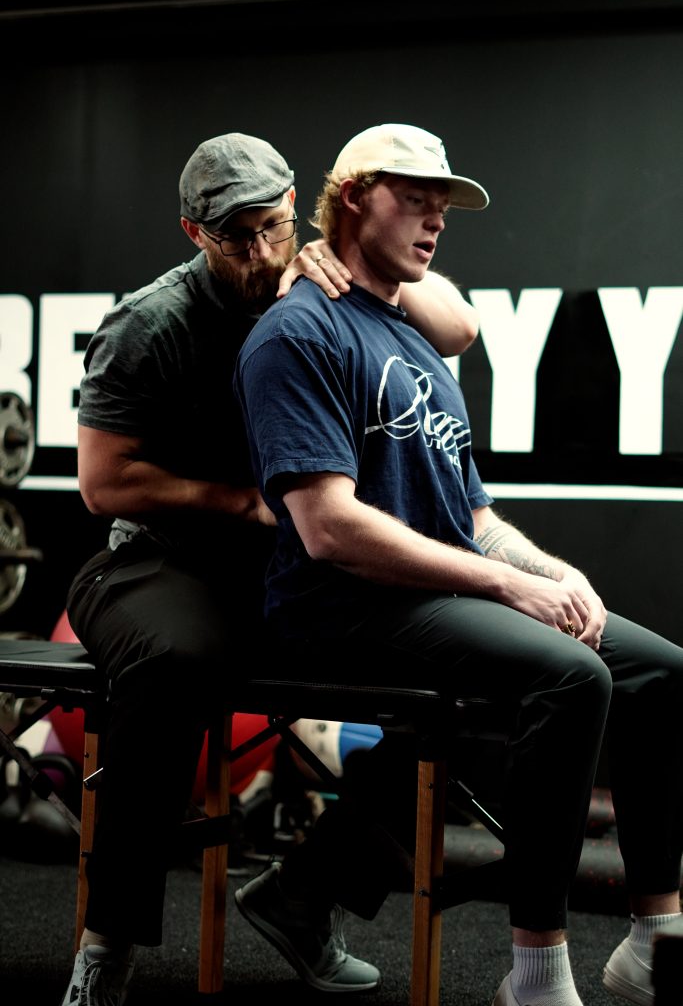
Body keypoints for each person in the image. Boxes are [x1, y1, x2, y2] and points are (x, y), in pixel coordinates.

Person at [233, 122, 683, 1006]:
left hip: (424, 590)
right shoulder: (298, 333)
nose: (435, 223)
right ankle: (536, 971)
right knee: (566, 677)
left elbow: (470, 515)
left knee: (659, 671)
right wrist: (510, 586)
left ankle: (655, 937)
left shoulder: (413, 338)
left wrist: (550, 572)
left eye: (444, 209)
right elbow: (327, 529)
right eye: (416, 202)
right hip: (337, 606)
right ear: (354, 196)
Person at [58, 129, 481, 1006]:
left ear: (299, 211)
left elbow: (460, 329)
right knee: (176, 664)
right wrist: (237, 501)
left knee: (472, 671)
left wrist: (347, 257)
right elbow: (102, 485)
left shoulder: (321, 284)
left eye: (273, 229)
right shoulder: (153, 322)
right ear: (193, 232)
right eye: (235, 236)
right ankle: (107, 944)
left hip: (284, 573)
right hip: (156, 569)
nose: (258, 254)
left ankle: (302, 894)